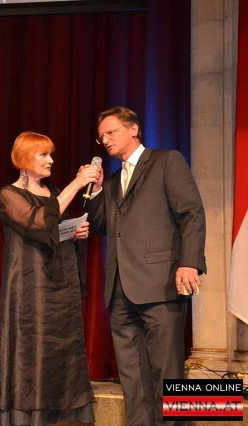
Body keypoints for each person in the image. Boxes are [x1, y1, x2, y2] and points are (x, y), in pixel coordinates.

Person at [83, 106, 206, 425]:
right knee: (132, 377)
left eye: (111, 132)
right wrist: (96, 190)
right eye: (101, 137)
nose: (105, 140)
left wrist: (189, 262)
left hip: (160, 283)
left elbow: (191, 213)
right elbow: (100, 226)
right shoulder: (112, 181)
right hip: (120, 289)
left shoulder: (166, 161)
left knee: (168, 371)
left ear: (134, 129)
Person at [0, 131, 97, 425]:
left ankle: (59, 417)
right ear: (25, 158)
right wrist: (77, 183)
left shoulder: (54, 191)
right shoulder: (9, 194)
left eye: (51, 155)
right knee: (30, 349)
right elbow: (39, 224)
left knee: (60, 350)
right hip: (29, 285)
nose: (50, 161)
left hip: (60, 286)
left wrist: (74, 232)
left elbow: (54, 230)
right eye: (43, 155)